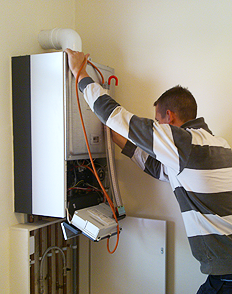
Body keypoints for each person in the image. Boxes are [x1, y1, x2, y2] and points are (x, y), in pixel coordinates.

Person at [65, 48, 232, 293]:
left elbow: (116, 115)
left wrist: (80, 75)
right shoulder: (215, 144)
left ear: (169, 117)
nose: (155, 126)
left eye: (156, 121)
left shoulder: (183, 142)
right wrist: (119, 140)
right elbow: (160, 169)